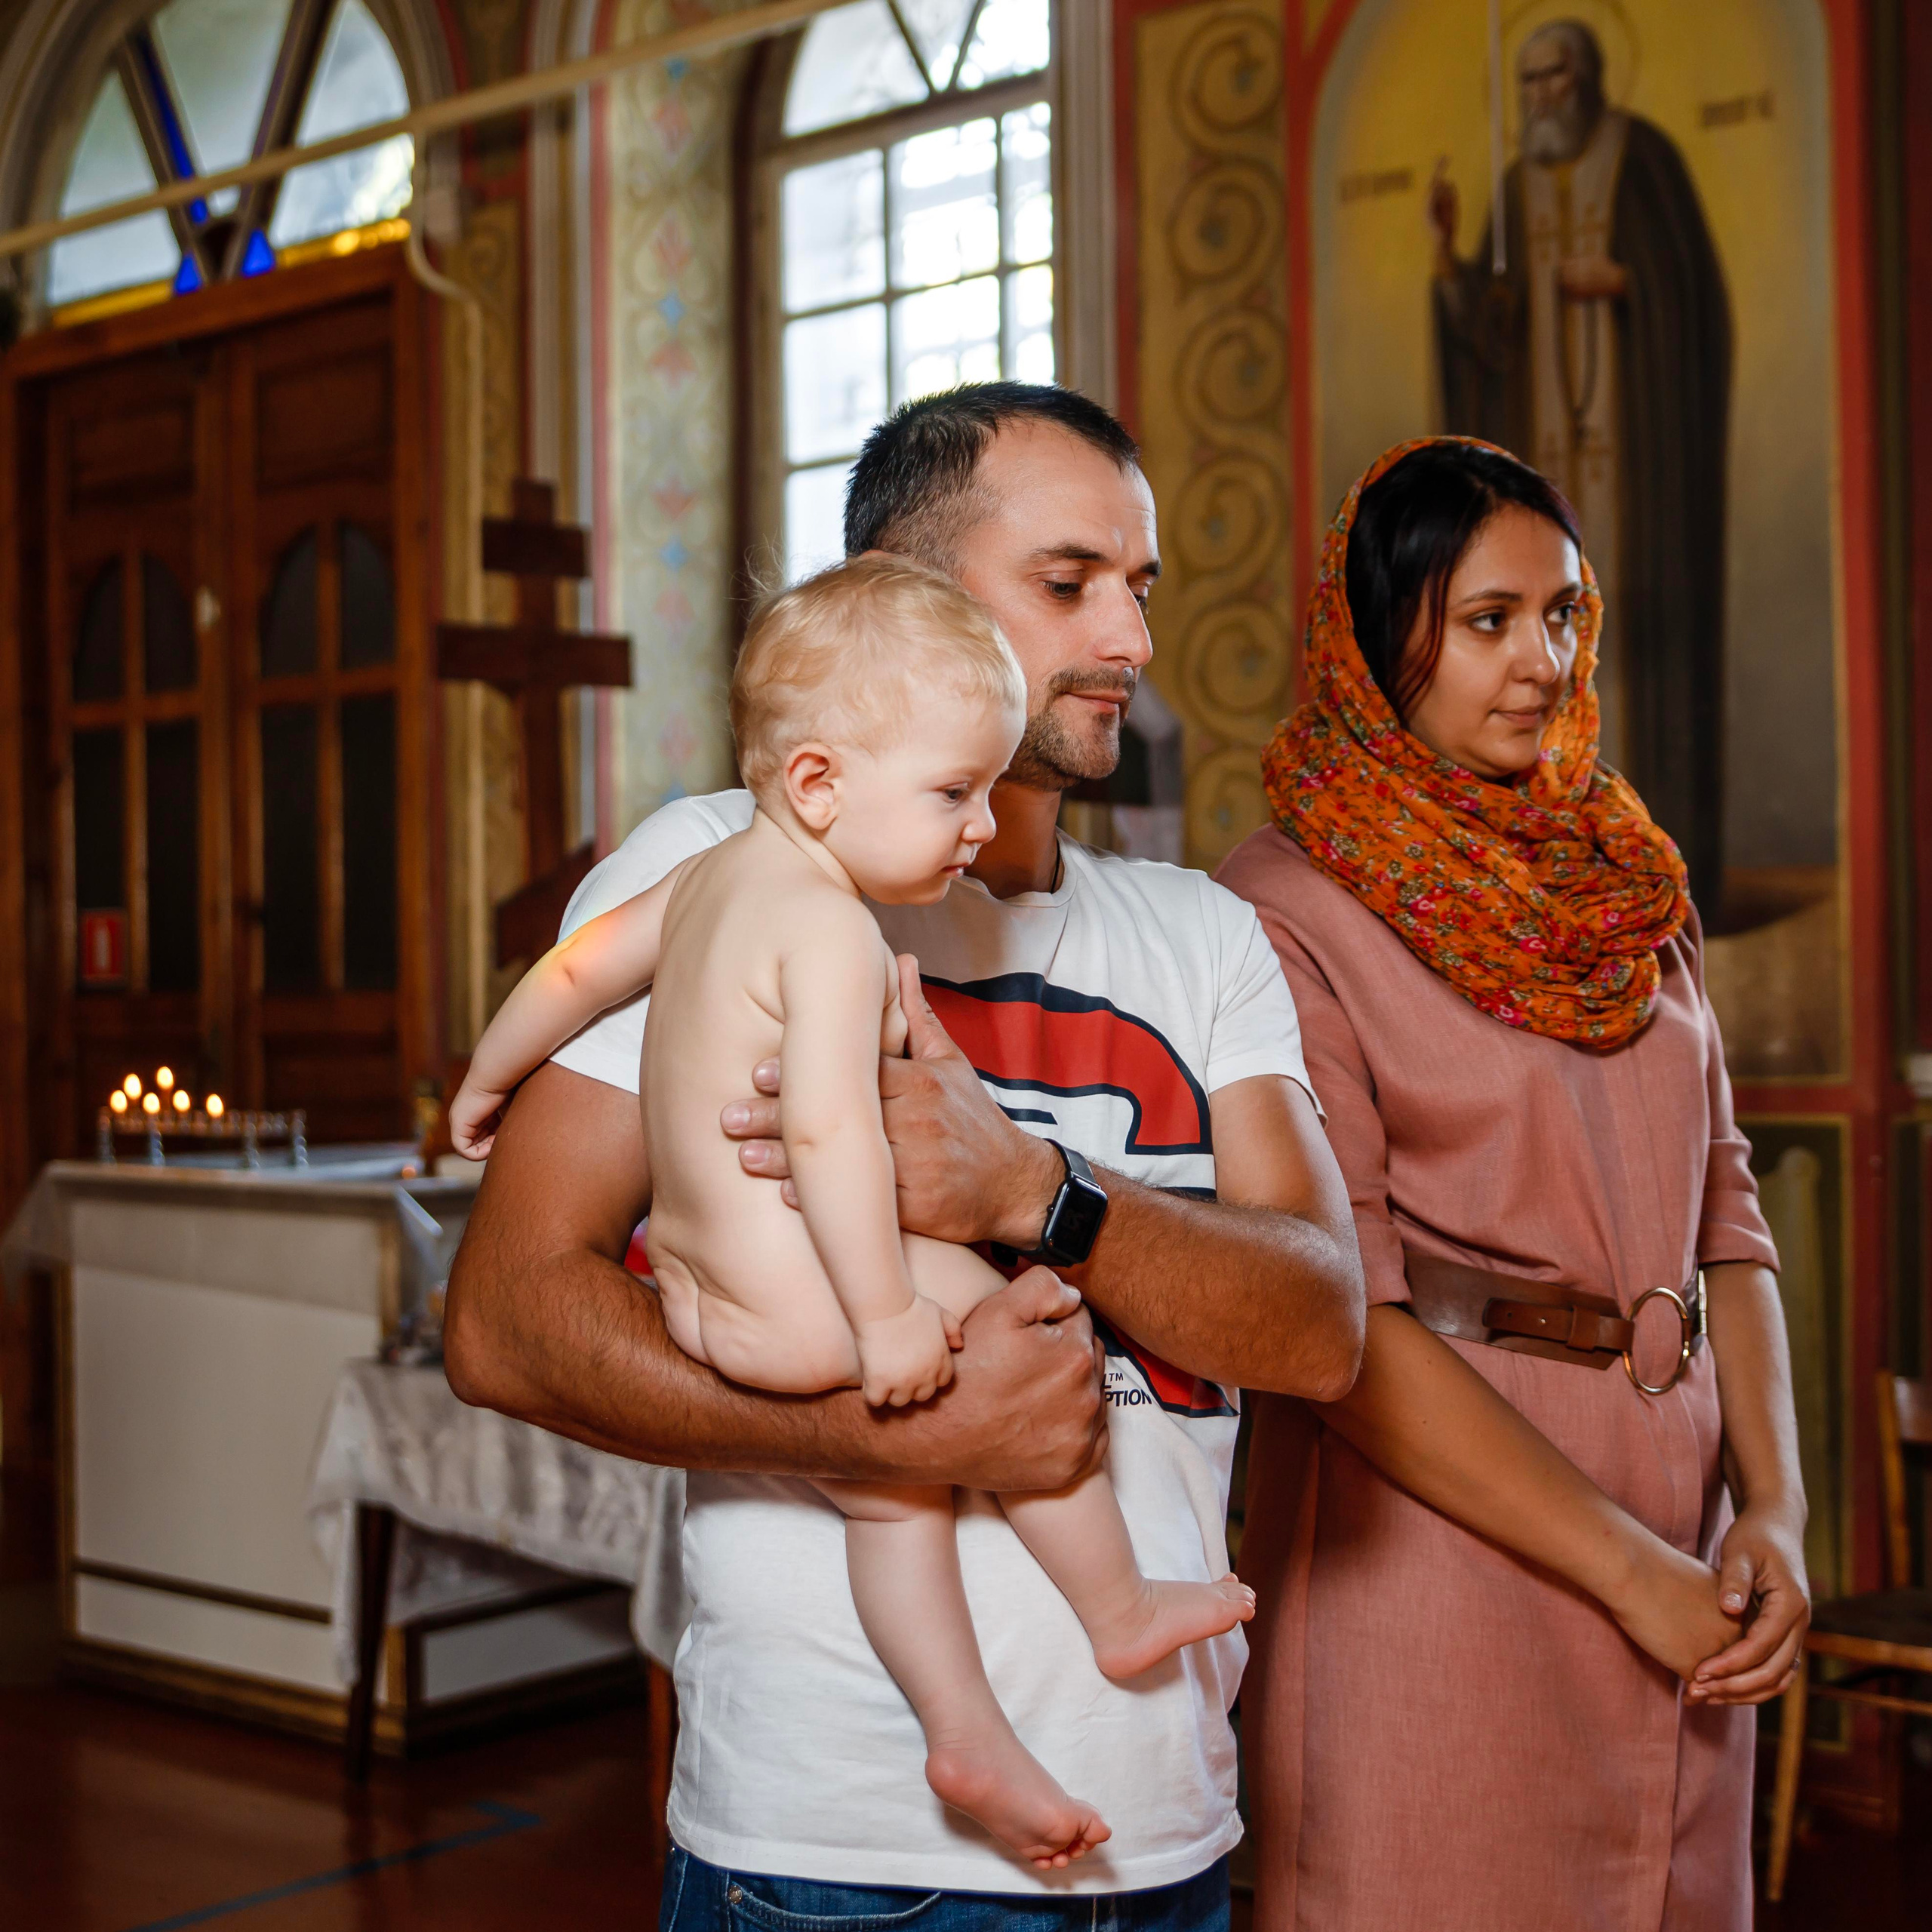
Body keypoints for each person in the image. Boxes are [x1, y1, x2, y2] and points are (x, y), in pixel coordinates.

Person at [443, 383, 1367, 1927]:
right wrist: (913, 1433)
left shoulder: (1207, 935)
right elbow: (504, 1318)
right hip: (839, 1862)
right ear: (916, 603)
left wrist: (1031, 1191)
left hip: (1165, 1841)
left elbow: (1322, 1328)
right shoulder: (723, 860)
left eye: (1138, 587)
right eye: (1067, 583)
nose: (1130, 641)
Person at [1217, 437, 1808, 1930]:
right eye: (1486, 619)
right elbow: (1339, 1322)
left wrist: (1776, 1511)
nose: (1539, 659)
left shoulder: (1625, 885)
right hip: (1432, 1565)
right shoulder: (1283, 908)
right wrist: (1630, 1573)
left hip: (1686, 1554)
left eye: (1561, 614)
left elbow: (1724, 1222)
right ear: (1376, 636)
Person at [1429, 19, 1731, 913]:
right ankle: (1557, 864)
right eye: (1527, 83)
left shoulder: (1644, 159)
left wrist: (1632, 285)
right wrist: (1450, 261)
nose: (1540, 98)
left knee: (1632, 654)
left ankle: (1653, 859)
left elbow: (1700, 301)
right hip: (1545, 478)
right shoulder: (1517, 190)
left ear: (1591, 76)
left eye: (1554, 78)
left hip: (1639, 477)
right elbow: (1491, 333)